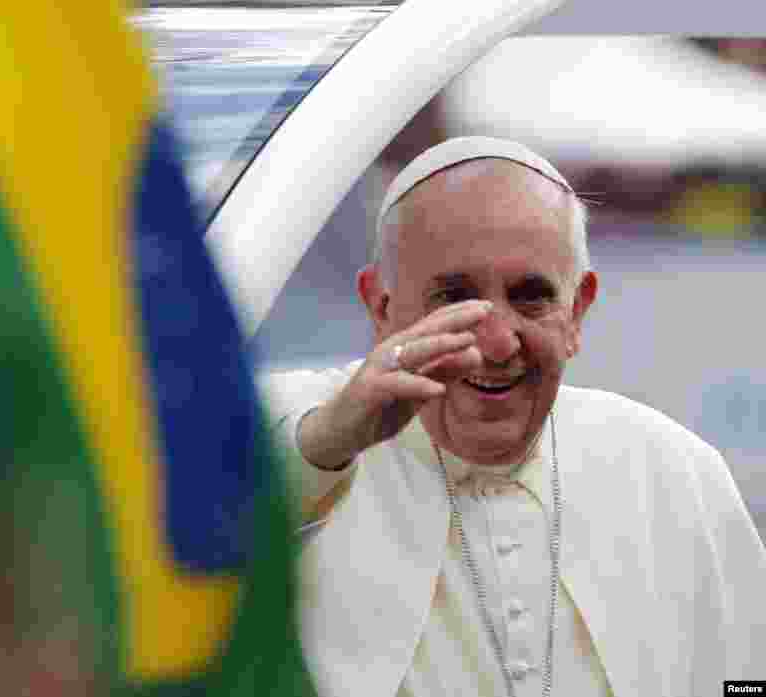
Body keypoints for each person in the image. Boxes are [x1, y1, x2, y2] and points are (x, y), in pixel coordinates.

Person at [260, 136, 766, 697]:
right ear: (380, 306)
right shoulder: (307, 425)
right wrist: (327, 443)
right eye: (455, 297)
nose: (497, 345)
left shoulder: (675, 470)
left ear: (577, 310)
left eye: (531, 297)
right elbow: (201, 518)